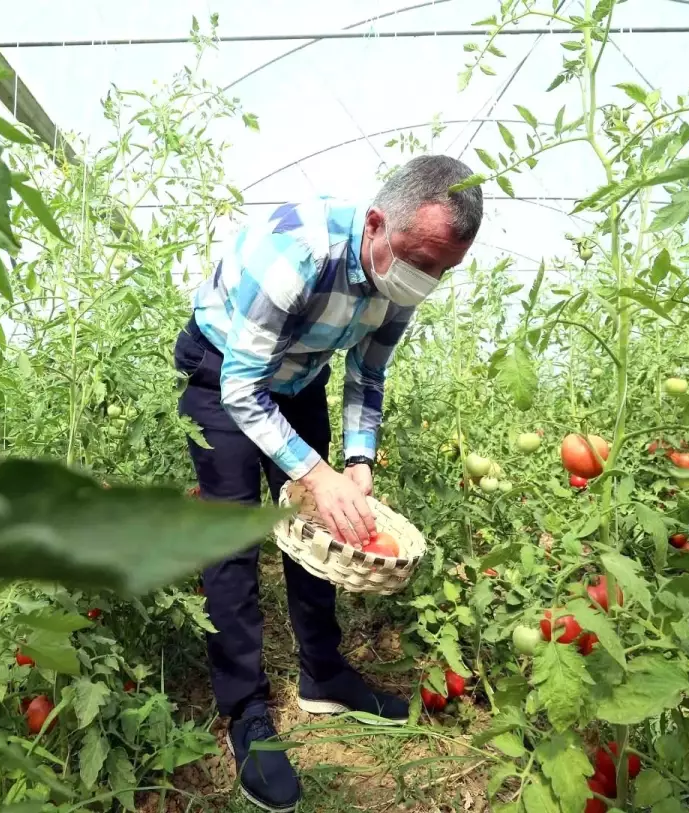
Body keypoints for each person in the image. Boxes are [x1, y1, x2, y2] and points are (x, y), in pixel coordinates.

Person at [173, 154, 482, 812]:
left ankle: (325, 673)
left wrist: (358, 461)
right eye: (419, 260)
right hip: (223, 367)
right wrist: (315, 470)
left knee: (323, 524)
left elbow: (368, 375)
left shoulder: (400, 280)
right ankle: (246, 713)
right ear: (375, 224)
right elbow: (241, 388)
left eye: (442, 271)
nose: (425, 281)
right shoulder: (298, 255)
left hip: (299, 374)